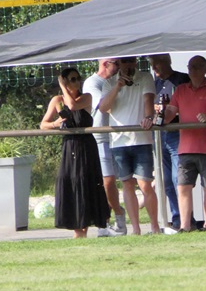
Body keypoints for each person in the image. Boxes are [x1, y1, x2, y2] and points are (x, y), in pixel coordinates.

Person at [39, 68, 112, 238]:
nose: (77, 82)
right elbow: (43, 124)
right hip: (69, 146)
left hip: (85, 146)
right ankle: (76, 228)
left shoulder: (86, 97)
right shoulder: (57, 100)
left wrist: (63, 88)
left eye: (78, 78)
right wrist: (55, 123)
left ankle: (84, 226)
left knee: (85, 182)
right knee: (69, 181)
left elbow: (72, 106)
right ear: (65, 80)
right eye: (73, 79)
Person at [98, 56, 161, 235]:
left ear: (136, 62)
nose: (128, 65)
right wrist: (118, 86)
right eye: (124, 62)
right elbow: (103, 108)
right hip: (119, 141)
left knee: (145, 184)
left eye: (131, 61)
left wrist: (148, 117)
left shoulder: (145, 77)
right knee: (127, 184)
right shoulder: (109, 83)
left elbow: (148, 100)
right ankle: (136, 229)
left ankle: (155, 227)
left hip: (141, 140)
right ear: (119, 64)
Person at [163, 56, 206, 232]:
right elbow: (170, 112)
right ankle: (185, 226)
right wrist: (160, 117)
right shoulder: (181, 90)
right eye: (190, 67)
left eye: (197, 67)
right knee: (183, 187)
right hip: (185, 148)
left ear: (205, 69)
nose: (193, 70)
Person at [83, 58, 127, 234]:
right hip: (100, 137)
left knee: (124, 180)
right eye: (117, 63)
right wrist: (117, 88)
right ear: (106, 64)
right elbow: (103, 106)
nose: (120, 67)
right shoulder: (92, 83)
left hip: (120, 136)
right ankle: (114, 216)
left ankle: (110, 222)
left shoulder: (120, 81)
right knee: (106, 182)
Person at [149, 54, 189, 229]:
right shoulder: (153, 84)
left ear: (167, 62)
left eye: (157, 64)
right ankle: (176, 218)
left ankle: (186, 220)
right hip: (159, 134)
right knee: (165, 179)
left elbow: (188, 104)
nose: (154, 68)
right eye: (152, 65)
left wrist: (171, 109)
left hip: (176, 132)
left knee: (177, 177)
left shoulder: (182, 79)